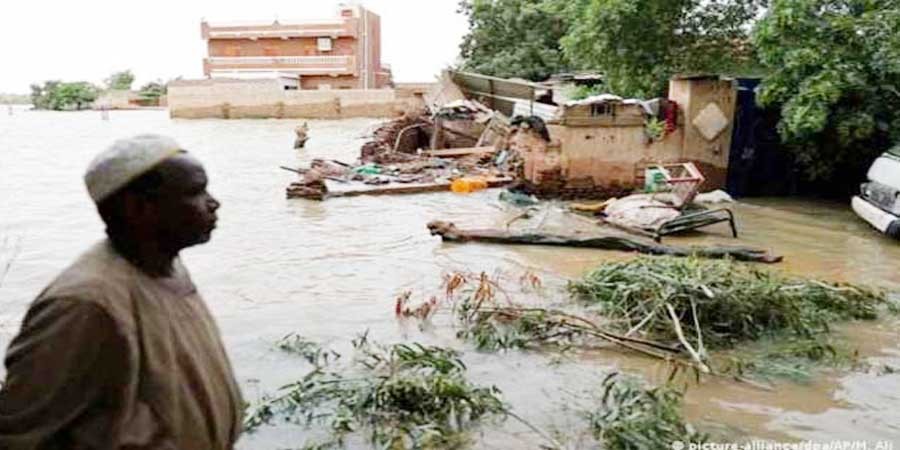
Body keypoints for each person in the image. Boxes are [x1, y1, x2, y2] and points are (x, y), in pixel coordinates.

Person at [0, 134, 243, 449]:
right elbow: (17, 433)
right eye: (195, 192)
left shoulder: (167, 267)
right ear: (138, 208)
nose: (213, 202)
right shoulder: (84, 304)